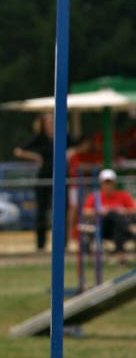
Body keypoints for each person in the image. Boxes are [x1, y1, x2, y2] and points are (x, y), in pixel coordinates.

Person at [13, 113, 79, 251]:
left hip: (61, 179)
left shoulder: (64, 137)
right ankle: (40, 245)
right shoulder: (40, 138)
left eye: (53, 122)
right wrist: (35, 156)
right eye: (48, 122)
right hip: (44, 178)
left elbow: (83, 144)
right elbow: (19, 150)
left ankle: (63, 244)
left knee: (62, 211)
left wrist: (71, 152)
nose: (50, 125)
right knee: (41, 212)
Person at [82, 169, 136, 265]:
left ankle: (120, 258)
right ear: (101, 183)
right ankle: (131, 229)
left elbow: (134, 209)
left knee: (117, 222)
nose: (108, 185)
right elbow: (85, 212)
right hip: (102, 227)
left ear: (114, 183)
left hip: (119, 228)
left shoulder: (123, 195)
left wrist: (124, 211)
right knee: (112, 214)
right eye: (106, 183)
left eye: (110, 183)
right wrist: (99, 211)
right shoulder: (95, 196)